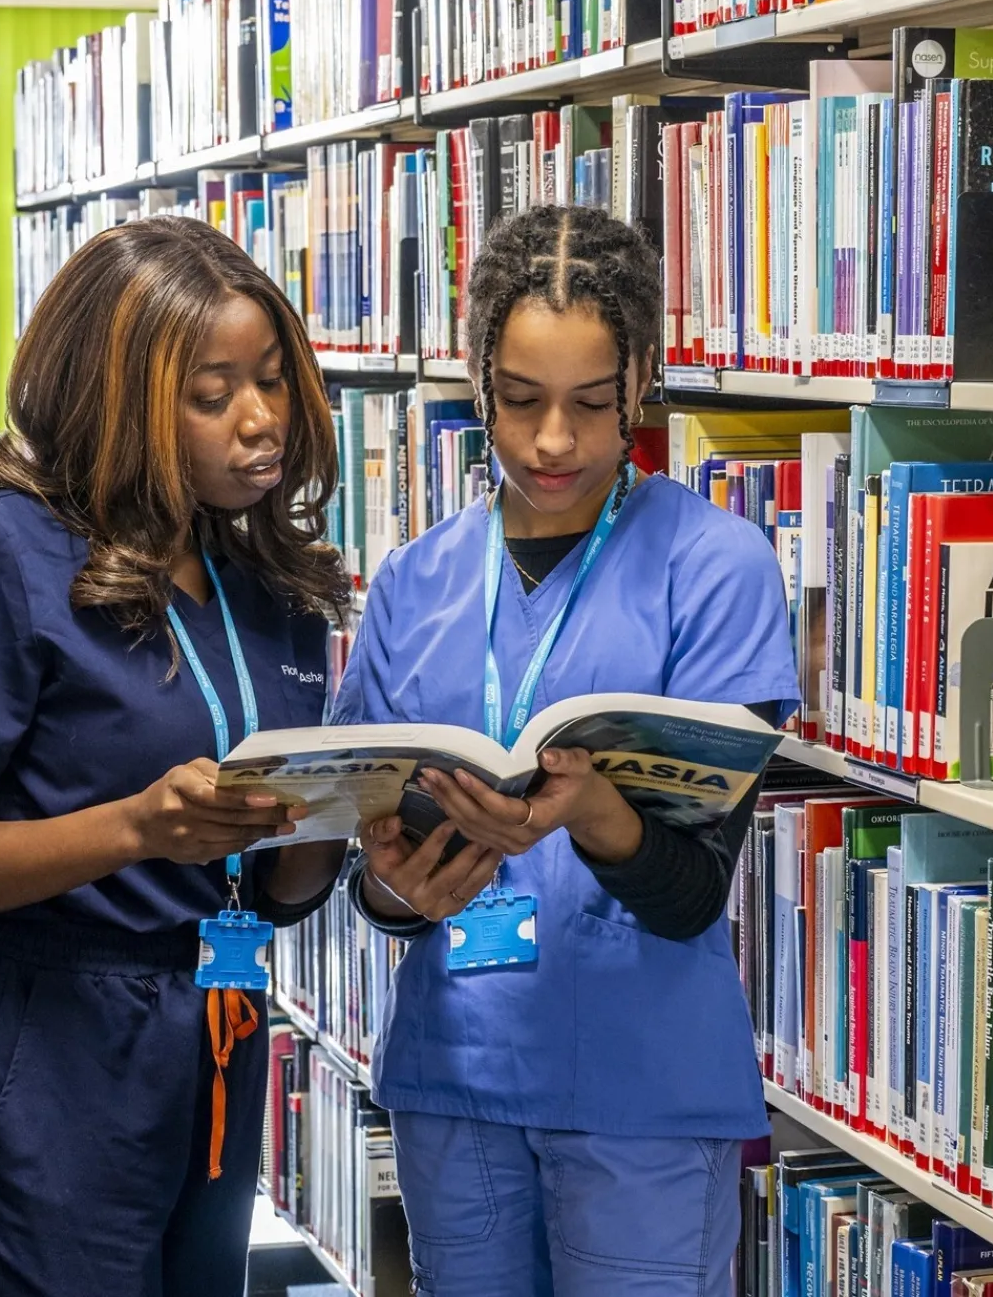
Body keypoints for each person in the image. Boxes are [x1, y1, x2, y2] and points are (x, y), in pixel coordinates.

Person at [0, 216, 351, 1297]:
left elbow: (267, 891)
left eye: (272, 379)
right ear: (116, 397)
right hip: (28, 1036)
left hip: (209, 1030)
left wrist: (342, 818)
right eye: (212, 394)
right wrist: (134, 827)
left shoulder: (266, 580)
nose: (261, 420)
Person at [330, 205, 801, 1297]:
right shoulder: (416, 581)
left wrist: (592, 814)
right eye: (518, 401)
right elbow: (375, 869)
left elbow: (690, 894)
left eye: (592, 404)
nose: (553, 441)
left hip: (642, 1091)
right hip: (457, 1081)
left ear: (638, 380)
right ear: (476, 381)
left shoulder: (716, 567)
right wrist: (399, 892)